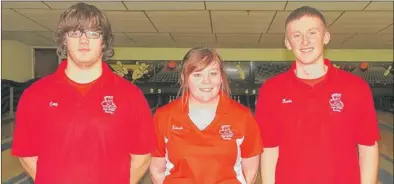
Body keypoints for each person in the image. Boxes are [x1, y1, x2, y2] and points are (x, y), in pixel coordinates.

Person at [11, 3, 156, 184]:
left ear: (103, 42)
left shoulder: (130, 94)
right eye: (75, 33)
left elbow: (142, 155)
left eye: (93, 33)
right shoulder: (34, 95)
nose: (84, 40)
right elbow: (26, 154)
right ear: (64, 40)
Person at [256, 6, 380, 184]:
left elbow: (367, 147)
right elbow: (269, 149)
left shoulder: (356, 87)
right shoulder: (271, 90)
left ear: (326, 37)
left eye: (312, 33)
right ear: (288, 43)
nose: (305, 41)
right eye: (297, 35)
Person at [149, 47, 263, 184]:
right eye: (198, 74)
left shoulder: (243, 116)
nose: (206, 81)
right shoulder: (164, 116)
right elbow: (157, 171)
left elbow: (250, 172)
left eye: (213, 73)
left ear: (221, 77)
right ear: (184, 79)